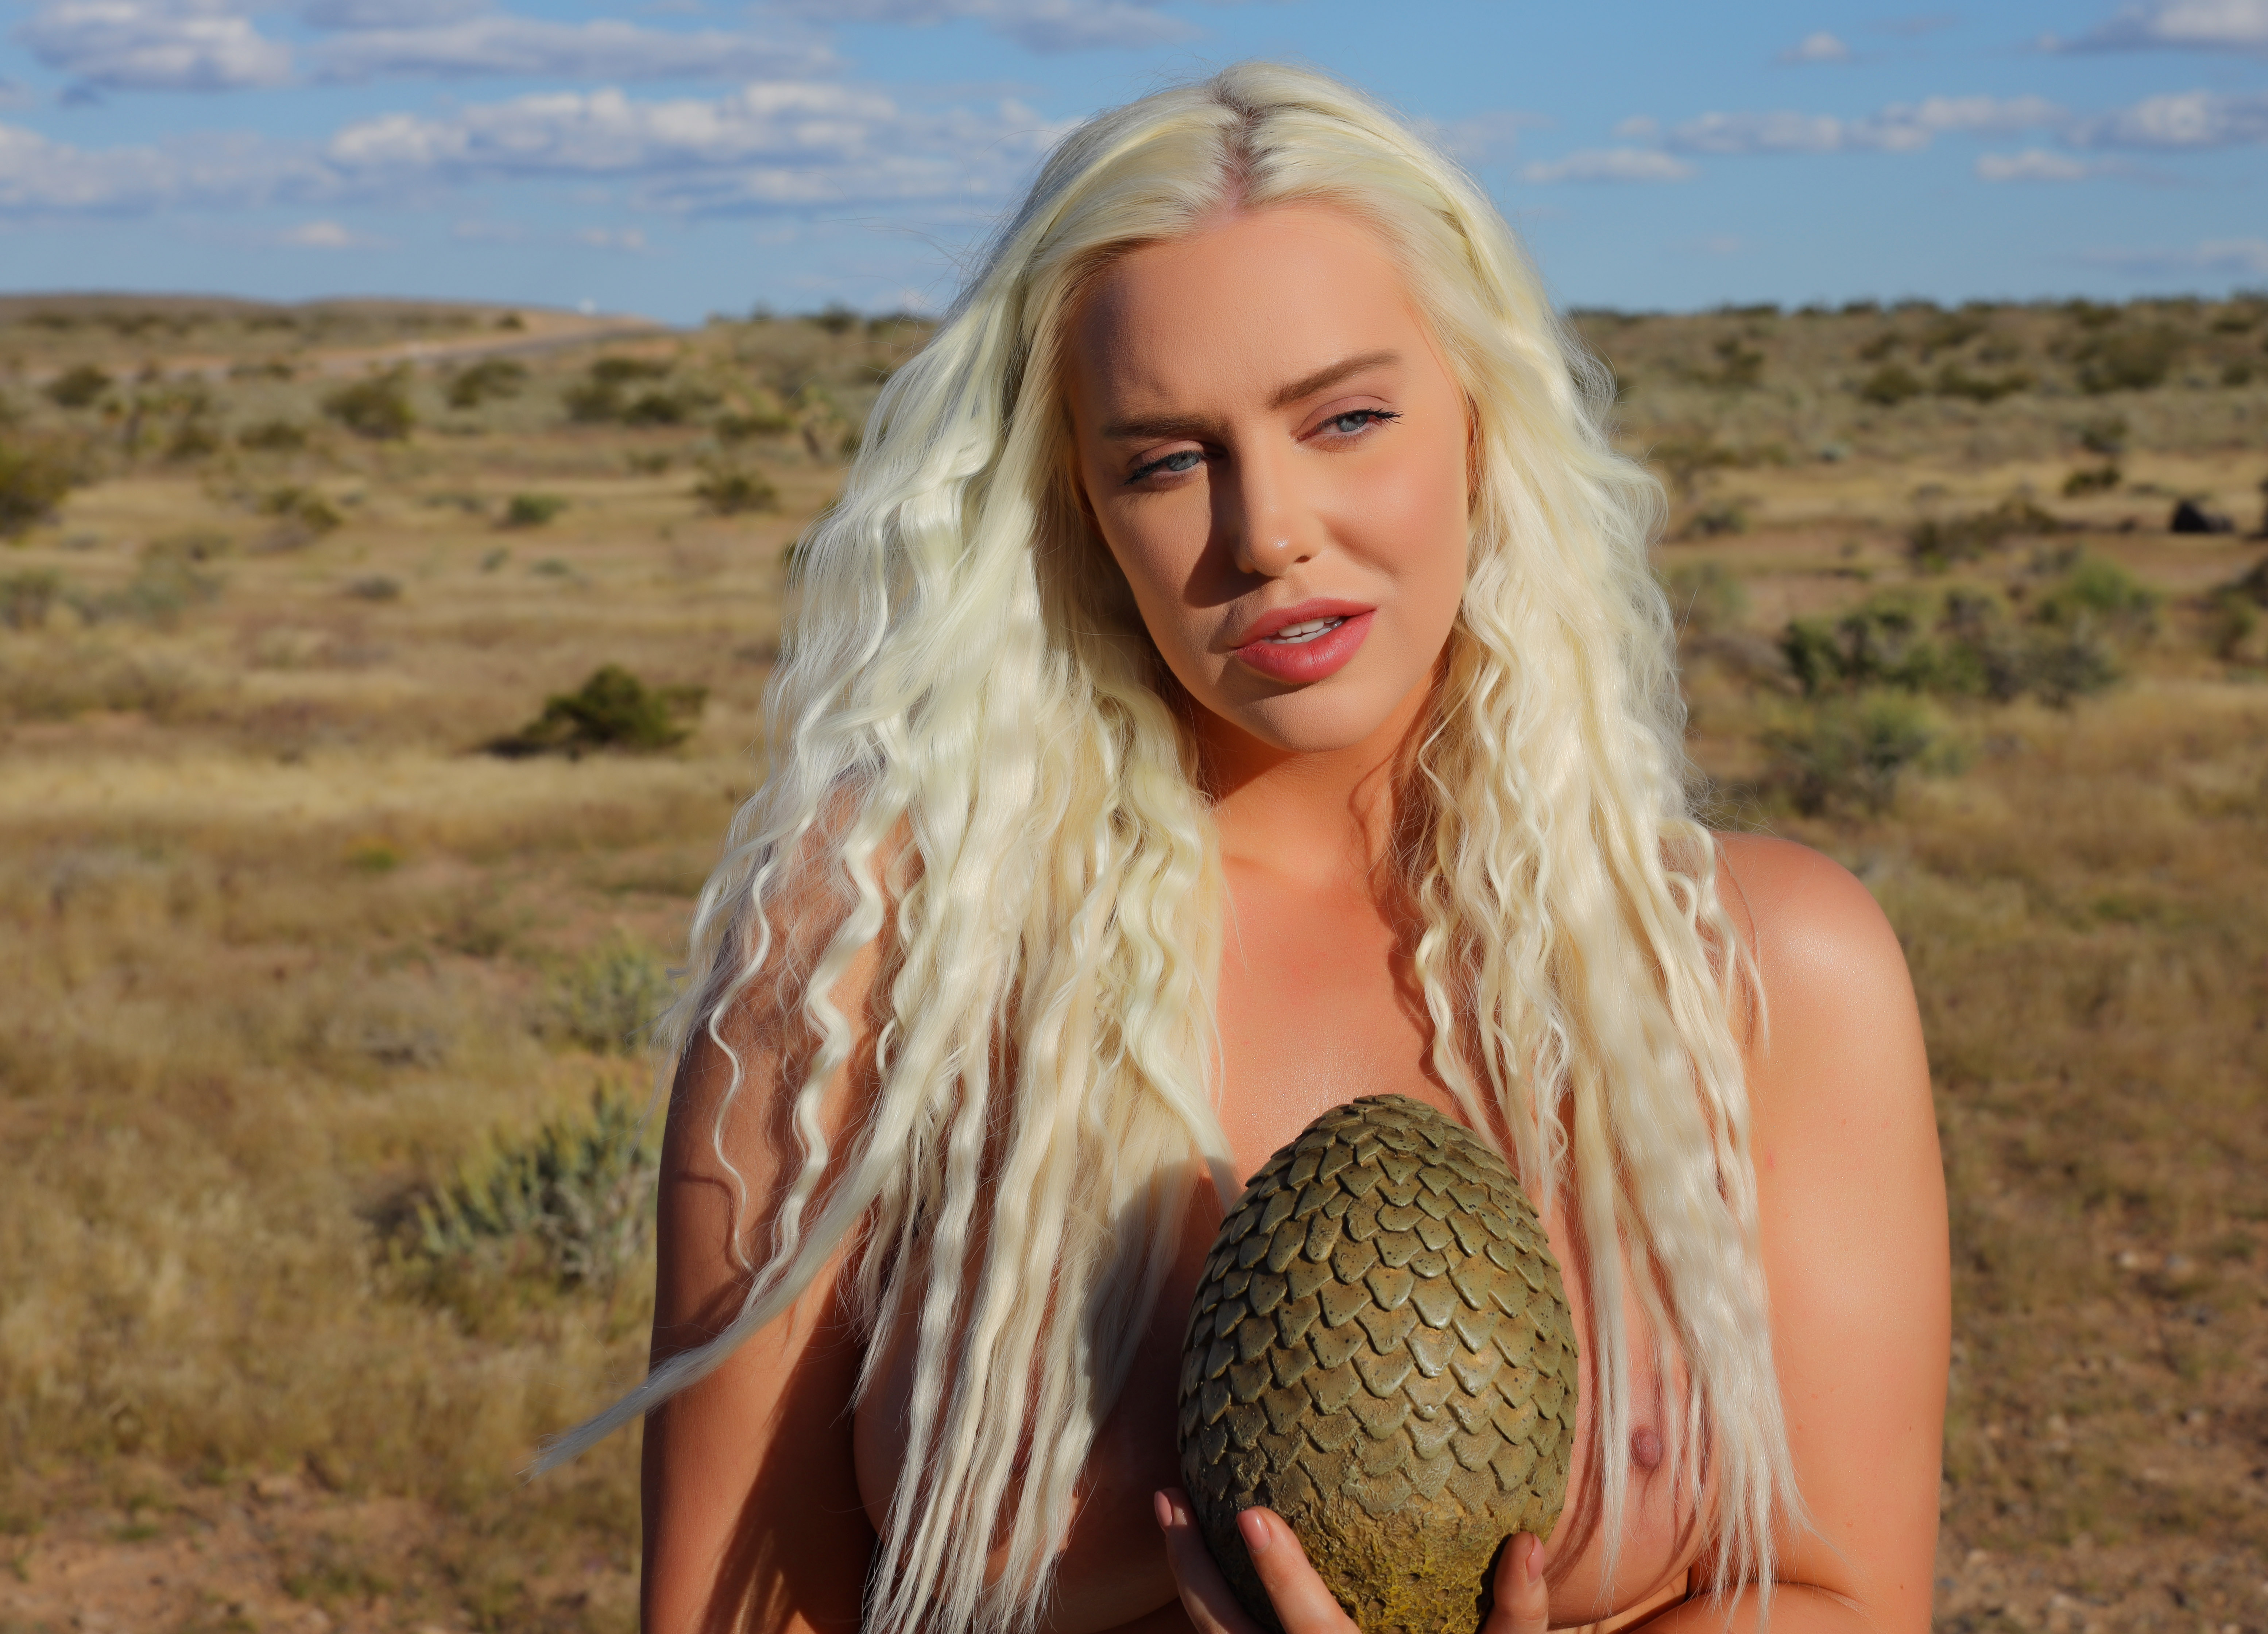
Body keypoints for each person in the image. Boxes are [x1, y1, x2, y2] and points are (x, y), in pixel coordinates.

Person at [544, 61, 1948, 1634]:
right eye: (1165, 458)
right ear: (1077, 506)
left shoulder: (1761, 967)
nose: (1267, 528)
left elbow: (1847, 1599)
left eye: (1347, 419)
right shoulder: (878, 954)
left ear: (1482, 421)